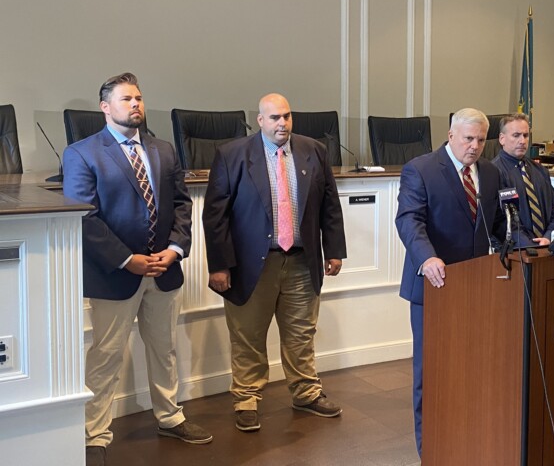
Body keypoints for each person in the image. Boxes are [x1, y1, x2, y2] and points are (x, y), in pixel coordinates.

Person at [63, 73, 212, 466]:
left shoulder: (162, 149)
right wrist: (127, 259)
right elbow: (86, 217)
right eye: (126, 98)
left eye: (139, 98)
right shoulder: (82, 153)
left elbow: (182, 204)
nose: (135, 105)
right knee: (106, 356)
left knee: (164, 350)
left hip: (164, 270)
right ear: (105, 107)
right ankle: (94, 433)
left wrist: (176, 249)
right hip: (115, 275)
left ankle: (170, 416)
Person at [202, 93, 346, 433]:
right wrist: (219, 266)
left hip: (301, 259)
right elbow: (215, 216)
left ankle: (306, 393)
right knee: (248, 335)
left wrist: (334, 249)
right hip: (251, 263)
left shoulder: (313, 150)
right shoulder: (232, 154)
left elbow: (330, 205)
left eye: (287, 116)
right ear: (260, 120)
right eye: (274, 118)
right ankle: (247, 399)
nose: (282, 124)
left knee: (301, 333)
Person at [395, 107, 505, 455]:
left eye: (480, 140)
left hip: (476, 286)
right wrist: (426, 257)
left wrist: (525, 246)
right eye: (468, 138)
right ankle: (429, 449)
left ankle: (466, 437)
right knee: (431, 374)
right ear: (451, 136)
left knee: (471, 368)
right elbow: (409, 220)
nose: (474, 146)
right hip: (434, 285)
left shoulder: (489, 172)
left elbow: (500, 225)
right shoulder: (421, 169)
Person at [492, 112, 554, 247]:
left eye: (525, 135)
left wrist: (548, 237)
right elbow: (504, 220)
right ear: (502, 139)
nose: (522, 141)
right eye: (516, 135)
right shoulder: (494, 172)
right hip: (518, 250)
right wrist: (530, 246)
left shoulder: (540, 171)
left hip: (545, 246)